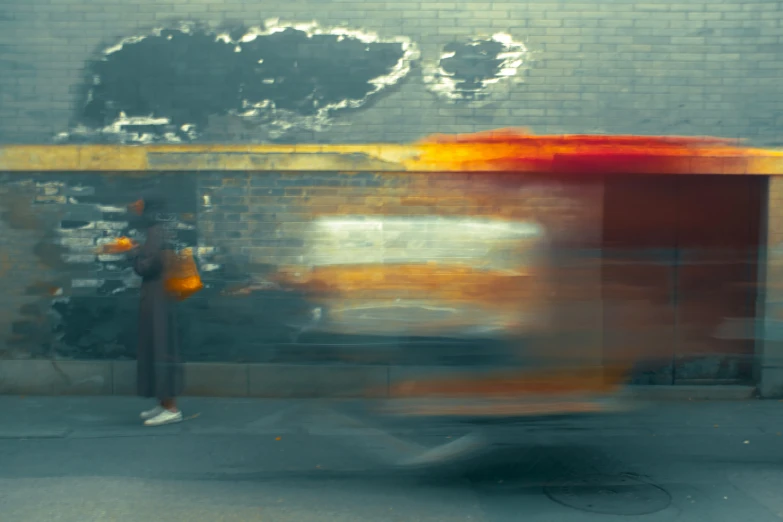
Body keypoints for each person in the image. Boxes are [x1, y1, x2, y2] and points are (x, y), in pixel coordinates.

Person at [130, 195, 185, 426]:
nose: (134, 206)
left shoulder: (155, 231)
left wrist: (133, 252)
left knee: (160, 347)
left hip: (158, 298)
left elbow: (146, 266)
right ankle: (163, 403)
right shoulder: (163, 229)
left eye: (138, 203)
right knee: (159, 346)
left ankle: (171, 408)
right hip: (163, 296)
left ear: (148, 206)